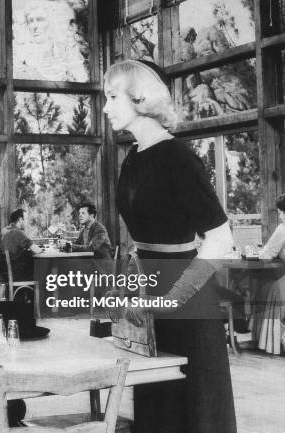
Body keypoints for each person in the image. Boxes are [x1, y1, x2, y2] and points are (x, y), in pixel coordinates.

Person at [104, 60, 236, 433]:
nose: (106, 107)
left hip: (186, 301)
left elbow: (221, 237)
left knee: (192, 412)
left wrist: (176, 295)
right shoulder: (133, 157)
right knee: (156, 409)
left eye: (113, 97)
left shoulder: (177, 157)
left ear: (140, 98)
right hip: (149, 297)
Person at [251, 194, 285, 354]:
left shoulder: (282, 229)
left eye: (280, 212)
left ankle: (267, 340)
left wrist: (256, 251)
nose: (279, 215)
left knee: (267, 287)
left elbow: (266, 255)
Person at [0, 208, 42, 280]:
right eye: (25, 219)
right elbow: (37, 250)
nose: (26, 222)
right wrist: (42, 249)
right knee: (42, 268)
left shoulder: (4, 230)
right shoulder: (17, 233)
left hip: (5, 273)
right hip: (17, 274)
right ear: (20, 219)